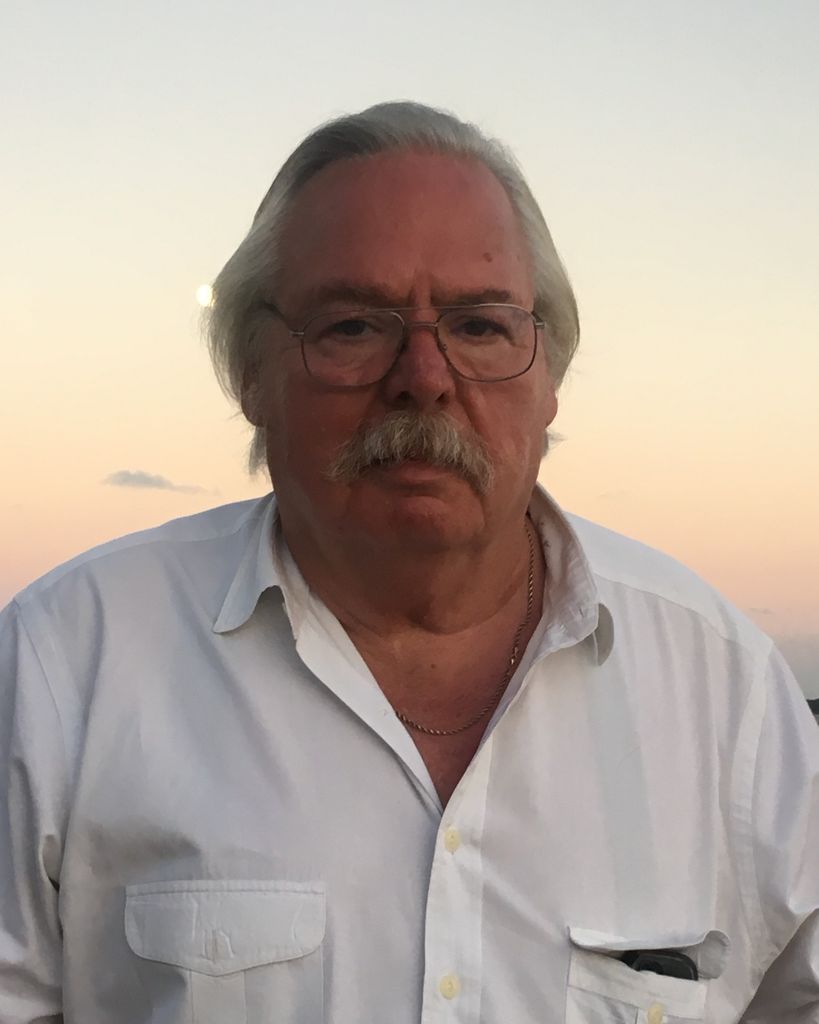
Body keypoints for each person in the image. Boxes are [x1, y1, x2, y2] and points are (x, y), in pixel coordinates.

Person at [1, 102, 816, 1024]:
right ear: (249, 374)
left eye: (478, 327)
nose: (423, 378)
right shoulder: (66, 664)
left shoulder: (723, 692)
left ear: (548, 377)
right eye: (354, 325)